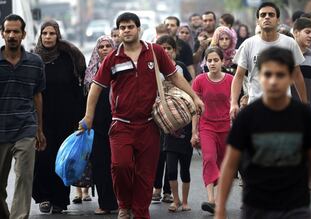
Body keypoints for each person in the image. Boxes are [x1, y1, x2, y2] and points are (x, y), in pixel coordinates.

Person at [79, 12, 204, 219]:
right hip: (121, 125)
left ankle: (139, 212)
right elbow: (96, 88)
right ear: (118, 32)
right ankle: (124, 205)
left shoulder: (154, 52)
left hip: (149, 125)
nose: (126, 30)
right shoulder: (113, 58)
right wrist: (88, 117)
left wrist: (195, 97)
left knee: (145, 175)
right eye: (122, 27)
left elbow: (174, 77)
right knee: (120, 166)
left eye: (130, 26)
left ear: (138, 29)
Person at [215, 46, 311, 219]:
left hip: (296, 206)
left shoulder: (303, 115)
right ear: (259, 77)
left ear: (291, 77)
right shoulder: (247, 117)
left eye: (280, 75)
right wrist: (220, 209)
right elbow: (230, 165)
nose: (273, 81)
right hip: (256, 206)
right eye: (268, 74)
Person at [32, 20, 86, 214]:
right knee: (42, 159)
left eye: (51, 33)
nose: (48, 37)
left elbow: (78, 86)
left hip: (66, 118)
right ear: (40, 35)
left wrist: (81, 116)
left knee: (63, 159)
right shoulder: (34, 59)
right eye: (44, 33)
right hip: (42, 119)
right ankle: (43, 196)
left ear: (58, 35)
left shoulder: (69, 57)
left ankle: (60, 200)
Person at [0, 14, 46, 219]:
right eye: (8, 31)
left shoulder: (35, 62)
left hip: (25, 128)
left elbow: (37, 96)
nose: (11, 35)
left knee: (23, 179)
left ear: (23, 34)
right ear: (2, 34)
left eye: (15, 31)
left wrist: (39, 129)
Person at [230, 2, 307, 120]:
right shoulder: (248, 44)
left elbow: (297, 75)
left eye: (271, 15)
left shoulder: (290, 43)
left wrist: (304, 105)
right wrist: (234, 102)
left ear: (278, 20)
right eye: (263, 15)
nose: (267, 17)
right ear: (258, 21)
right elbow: (239, 76)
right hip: (256, 107)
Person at [191, 47, 233, 214]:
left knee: (222, 165)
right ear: (205, 62)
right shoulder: (199, 80)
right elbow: (195, 109)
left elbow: (235, 104)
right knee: (209, 159)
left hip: (226, 127)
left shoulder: (231, 80)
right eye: (209, 60)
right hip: (207, 126)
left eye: (216, 60)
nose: (213, 63)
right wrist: (194, 132)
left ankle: (219, 199)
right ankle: (211, 199)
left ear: (222, 61)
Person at [155, 35, 193, 213]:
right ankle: (170, 196)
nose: (166, 51)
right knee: (167, 162)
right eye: (162, 48)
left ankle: (182, 200)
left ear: (175, 50)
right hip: (163, 120)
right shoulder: (153, 69)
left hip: (183, 120)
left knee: (184, 166)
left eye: (169, 48)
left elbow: (190, 90)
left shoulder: (181, 68)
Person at [83, 35, 118, 215]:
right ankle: (105, 202)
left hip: (120, 123)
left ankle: (122, 201)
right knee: (100, 163)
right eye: (101, 46)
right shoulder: (92, 71)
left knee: (120, 164)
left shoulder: (121, 68)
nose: (104, 49)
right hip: (97, 125)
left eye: (108, 46)